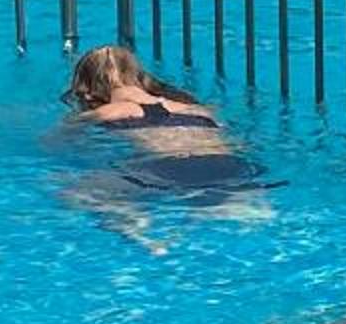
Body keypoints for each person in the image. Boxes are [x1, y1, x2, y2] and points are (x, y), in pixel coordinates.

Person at [58, 45, 272, 243]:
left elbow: (56, 143)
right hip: (232, 166)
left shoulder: (110, 111)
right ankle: (243, 210)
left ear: (87, 89)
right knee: (233, 202)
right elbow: (235, 142)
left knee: (77, 193)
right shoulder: (197, 110)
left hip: (175, 169)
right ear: (139, 77)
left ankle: (139, 230)